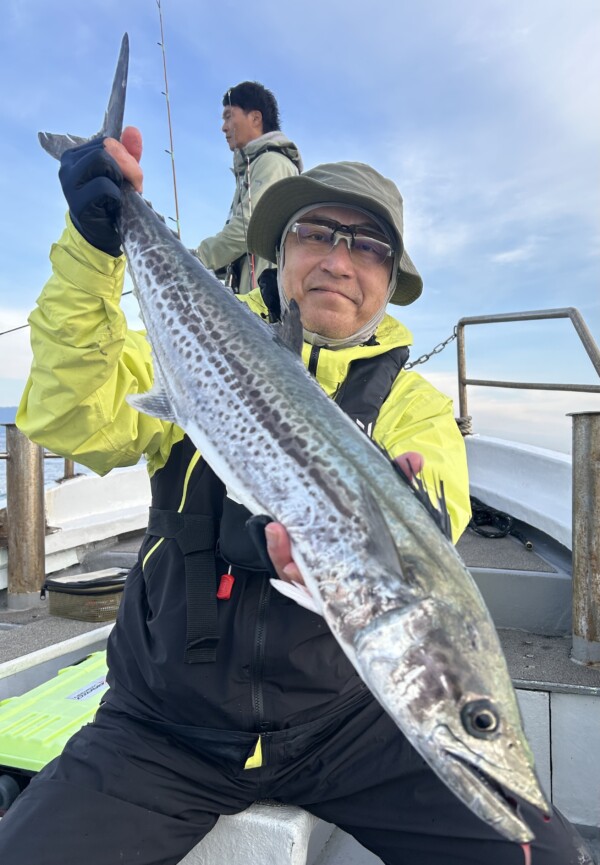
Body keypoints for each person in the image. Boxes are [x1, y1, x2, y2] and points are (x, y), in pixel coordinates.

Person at [1, 126, 594, 865]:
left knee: (540, 855)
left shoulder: (415, 401)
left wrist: (403, 517)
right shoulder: (193, 343)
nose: (340, 260)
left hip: (348, 723)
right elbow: (67, 416)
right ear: (280, 255)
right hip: (164, 724)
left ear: (389, 277)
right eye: (317, 233)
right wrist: (94, 248)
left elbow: (434, 511)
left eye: (368, 245)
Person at [193, 81, 302, 294]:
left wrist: (194, 260)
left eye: (228, 116)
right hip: (250, 302)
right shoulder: (255, 166)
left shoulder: (272, 162)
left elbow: (246, 228)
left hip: (264, 309)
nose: (223, 127)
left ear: (255, 118)